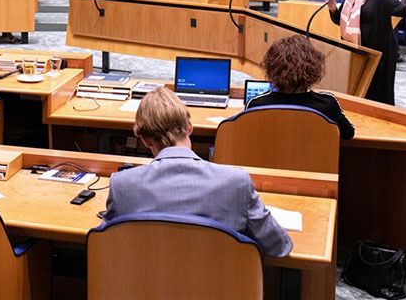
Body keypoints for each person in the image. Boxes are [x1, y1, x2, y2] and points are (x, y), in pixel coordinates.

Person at [103, 87, 293, 258]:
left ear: (144, 140)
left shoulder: (122, 185)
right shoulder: (237, 183)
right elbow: (279, 247)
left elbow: (106, 243)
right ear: (189, 127)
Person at [247, 35, 355, 139]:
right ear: (314, 69)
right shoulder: (327, 104)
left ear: (271, 68)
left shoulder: (256, 105)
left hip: (268, 158)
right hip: (315, 158)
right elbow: (348, 134)